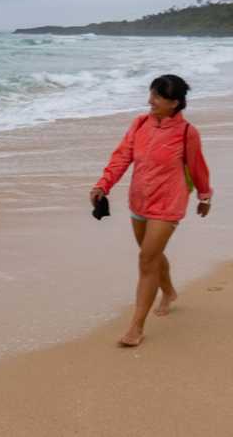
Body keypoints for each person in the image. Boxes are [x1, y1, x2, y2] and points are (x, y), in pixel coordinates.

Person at [90, 75, 213, 347]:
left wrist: (205, 196)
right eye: (151, 94)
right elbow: (122, 157)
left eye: (157, 97)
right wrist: (104, 184)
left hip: (169, 203)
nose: (150, 101)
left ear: (175, 103)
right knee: (151, 254)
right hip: (139, 201)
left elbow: (197, 167)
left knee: (147, 259)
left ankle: (136, 327)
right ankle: (168, 292)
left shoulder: (186, 132)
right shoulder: (140, 124)